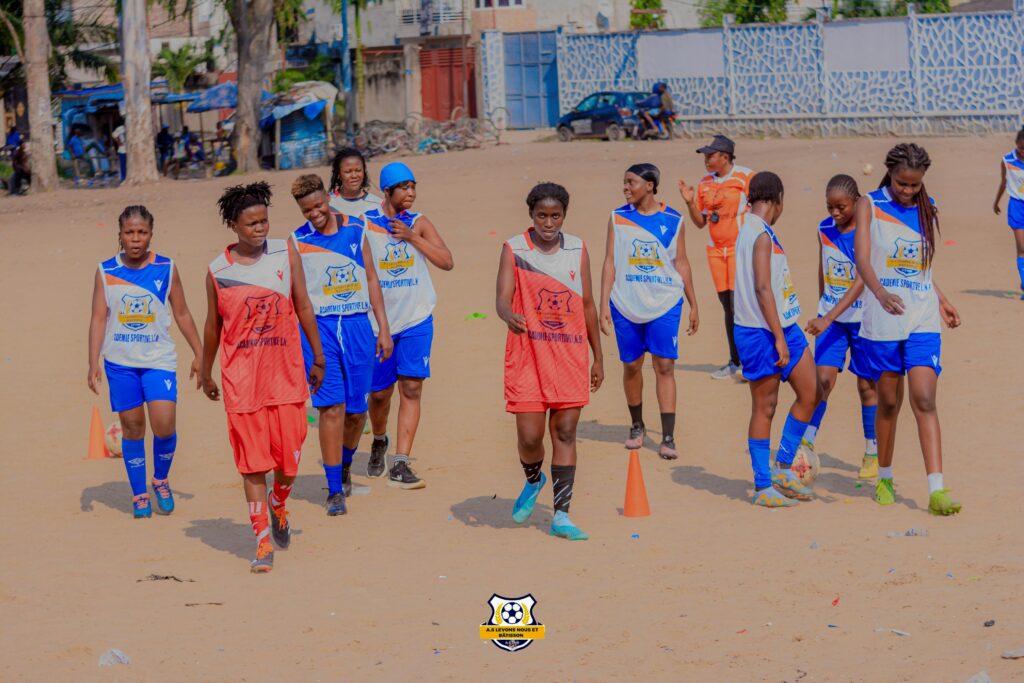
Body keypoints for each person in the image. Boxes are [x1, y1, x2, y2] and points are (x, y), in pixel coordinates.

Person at [201, 182, 326, 573]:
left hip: (286, 375)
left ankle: (279, 503)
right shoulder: (218, 271)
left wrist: (318, 357)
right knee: (252, 465)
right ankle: (260, 541)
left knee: (288, 463)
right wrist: (205, 371)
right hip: (242, 381)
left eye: (264, 221)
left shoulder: (284, 253)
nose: (260, 229)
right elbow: (212, 327)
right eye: (251, 223)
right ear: (234, 225)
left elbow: (303, 304)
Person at [854, 143, 962, 515]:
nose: (908, 191)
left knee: (924, 398)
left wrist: (941, 297)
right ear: (890, 174)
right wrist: (880, 292)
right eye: (902, 183)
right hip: (883, 321)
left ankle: (937, 489)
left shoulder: (927, 209)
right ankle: (884, 475)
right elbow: (863, 259)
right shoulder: (869, 204)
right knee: (888, 402)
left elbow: (920, 271)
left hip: (922, 319)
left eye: (915, 185)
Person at [497, 182, 604, 540]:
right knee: (530, 437)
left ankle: (561, 515)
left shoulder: (577, 249)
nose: (548, 222)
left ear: (564, 216)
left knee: (565, 432)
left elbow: (588, 305)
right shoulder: (514, 249)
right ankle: (533, 480)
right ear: (531, 214)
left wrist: (597, 356)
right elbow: (502, 297)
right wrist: (505, 314)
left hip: (570, 355)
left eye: (555, 215)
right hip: (528, 356)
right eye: (541, 215)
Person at [87, 206, 204, 518]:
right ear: (120, 235)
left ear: (151, 234)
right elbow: (99, 319)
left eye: (142, 233)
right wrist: (93, 361)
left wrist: (199, 351)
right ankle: (140, 494)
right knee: (133, 427)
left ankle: (161, 480)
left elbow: (181, 312)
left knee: (164, 424)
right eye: (129, 233)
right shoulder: (106, 271)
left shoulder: (166, 268)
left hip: (158, 360)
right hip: (120, 363)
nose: (135, 239)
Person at [289, 174, 393, 515]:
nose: (314, 214)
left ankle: (346, 464)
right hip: (319, 331)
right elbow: (298, 296)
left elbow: (372, 278)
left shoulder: (356, 230)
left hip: (358, 326)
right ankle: (334, 489)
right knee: (329, 408)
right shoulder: (297, 241)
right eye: (307, 210)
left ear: (328, 199)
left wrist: (383, 328)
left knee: (356, 411)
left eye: (318, 206)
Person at [363, 162, 454, 489]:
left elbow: (446, 261)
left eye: (413, 186)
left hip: (417, 318)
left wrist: (413, 237)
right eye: (403, 187)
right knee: (380, 393)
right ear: (386, 192)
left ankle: (401, 463)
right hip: (379, 324)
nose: (411, 193)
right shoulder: (366, 225)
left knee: (412, 388)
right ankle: (379, 439)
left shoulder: (419, 222)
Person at [600, 163, 699, 460]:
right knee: (631, 365)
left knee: (664, 367)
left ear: (650, 185)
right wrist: (604, 301)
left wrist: (694, 303)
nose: (626, 187)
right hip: (625, 303)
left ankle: (668, 436)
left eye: (631, 182)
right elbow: (609, 262)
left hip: (665, 303)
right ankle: (637, 424)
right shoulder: (618, 218)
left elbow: (681, 262)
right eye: (624, 182)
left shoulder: (674, 220)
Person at [733, 171, 820, 507]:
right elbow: (762, 287)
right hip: (760, 331)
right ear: (778, 199)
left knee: (810, 391)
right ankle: (762, 485)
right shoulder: (757, 234)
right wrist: (778, 340)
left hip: (785, 325)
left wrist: (786, 334)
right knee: (765, 406)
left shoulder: (760, 230)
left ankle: (784, 466)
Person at [802, 175, 879, 480]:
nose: (834, 213)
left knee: (866, 387)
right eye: (829, 207)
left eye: (841, 207)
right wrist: (823, 304)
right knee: (822, 380)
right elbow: (824, 266)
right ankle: (807, 439)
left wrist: (828, 316)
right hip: (831, 318)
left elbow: (862, 281)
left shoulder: (867, 232)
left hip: (863, 320)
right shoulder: (824, 229)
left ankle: (871, 451)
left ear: (857, 203)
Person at [678, 135, 755, 380]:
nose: (706, 160)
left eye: (710, 155)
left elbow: (763, 209)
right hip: (716, 251)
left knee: (739, 304)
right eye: (705, 156)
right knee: (727, 307)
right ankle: (735, 362)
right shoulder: (704, 183)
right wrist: (690, 203)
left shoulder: (746, 178)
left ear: (725, 156)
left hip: (739, 250)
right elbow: (701, 222)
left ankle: (749, 361)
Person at [992, 126, 1024, 297]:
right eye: (1021, 148)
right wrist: (996, 202)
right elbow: (1003, 182)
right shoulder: (1007, 160)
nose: (1023, 152)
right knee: (1022, 247)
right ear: (1016, 143)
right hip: (1017, 206)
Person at [328, 147, 383, 218]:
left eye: (358, 170)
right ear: (339, 175)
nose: (354, 176)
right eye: (348, 172)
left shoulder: (378, 204)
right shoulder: (328, 204)